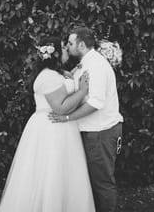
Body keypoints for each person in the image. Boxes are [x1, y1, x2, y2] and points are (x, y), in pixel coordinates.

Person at [0, 37, 95, 212]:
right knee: (50, 171)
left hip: (61, 128)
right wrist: (82, 91)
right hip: (51, 128)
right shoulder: (48, 77)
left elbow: (62, 91)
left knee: (63, 172)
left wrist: (70, 75)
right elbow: (61, 108)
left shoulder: (55, 73)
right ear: (55, 53)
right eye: (64, 49)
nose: (67, 51)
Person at [49, 27, 124, 212]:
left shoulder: (96, 66)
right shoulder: (86, 63)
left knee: (101, 183)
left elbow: (95, 103)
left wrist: (67, 117)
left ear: (81, 44)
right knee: (90, 182)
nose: (68, 46)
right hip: (91, 132)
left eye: (71, 43)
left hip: (100, 133)